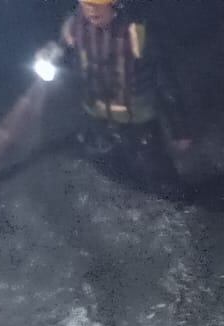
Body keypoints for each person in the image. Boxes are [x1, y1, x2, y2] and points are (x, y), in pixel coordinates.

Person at [59, 0, 189, 194]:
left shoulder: (138, 32)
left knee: (155, 163)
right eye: (86, 4)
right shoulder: (74, 28)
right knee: (109, 157)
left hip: (138, 117)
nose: (92, 10)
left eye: (98, 4)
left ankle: (172, 192)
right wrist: (55, 58)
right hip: (97, 112)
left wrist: (180, 129)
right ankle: (128, 181)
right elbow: (71, 62)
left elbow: (165, 82)